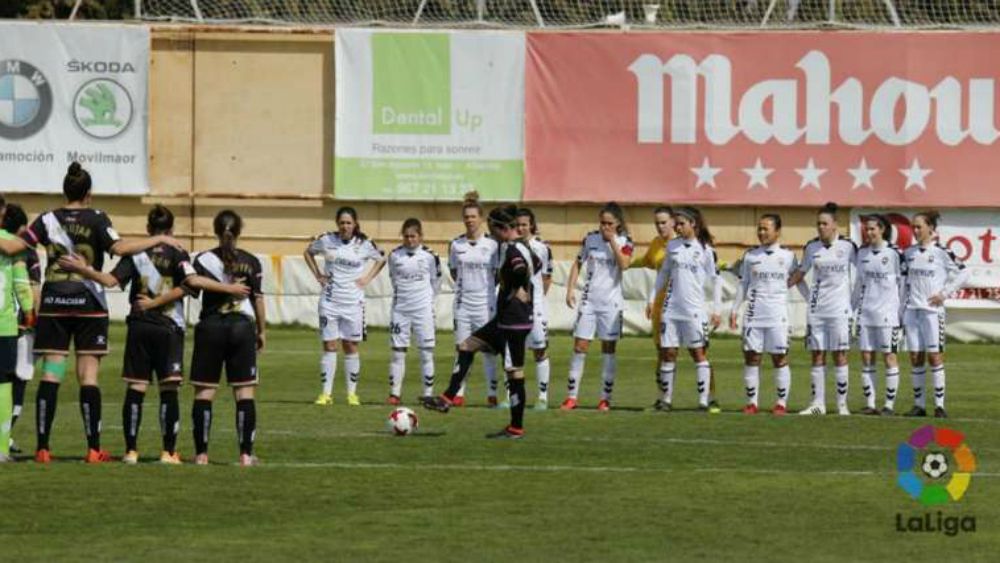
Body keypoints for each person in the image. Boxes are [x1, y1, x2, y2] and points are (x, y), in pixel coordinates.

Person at [0, 163, 181, 463]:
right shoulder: (98, 218)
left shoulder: (47, 219)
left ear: (65, 190)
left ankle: (43, 448)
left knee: (52, 372)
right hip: (88, 304)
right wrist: (159, 239)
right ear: (88, 193)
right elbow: (121, 249)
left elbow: (11, 247)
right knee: (88, 376)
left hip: (56, 302)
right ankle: (93, 449)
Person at [59, 205, 249, 464]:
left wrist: (84, 270)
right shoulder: (179, 252)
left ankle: (131, 452)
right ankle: (168, 452)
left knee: (136, 388)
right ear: (171, 229)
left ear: (149, 229)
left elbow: (109, 281)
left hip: (139, 326)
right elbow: (188, 287)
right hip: (169, 328)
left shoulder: (137, 254)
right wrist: (158, 303)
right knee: (168, 390)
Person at [422, 205, 541, 440]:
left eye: (491, 228)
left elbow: (519, 269)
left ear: (499, 227)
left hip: (513, 323)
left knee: (514, 372)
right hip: (505, 320)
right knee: (467, 346)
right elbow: (535, 264)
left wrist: (519, 287)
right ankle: (447, 398)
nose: (491, 233)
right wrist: (523, 287)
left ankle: (516, 428)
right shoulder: (524, 245)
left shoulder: (512, 249)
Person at [188, 210, 266, 466]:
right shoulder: (252, 261)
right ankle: (245, 455)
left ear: (215, 230)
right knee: (244, 392)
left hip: (210, 329)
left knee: (204, 393)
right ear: (240, 231)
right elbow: (258, 299)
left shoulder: (203, 259)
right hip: (241, 329)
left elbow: (192, 283)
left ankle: (201, 454)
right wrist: (262, 331)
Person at [305, 206, 385, 406]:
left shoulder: (364, 243)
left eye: (349, 223)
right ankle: (326, 394)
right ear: (337, 224)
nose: (345, 226)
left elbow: (382, 258)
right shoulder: (326, 240)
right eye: (342, 222)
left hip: (353, 303)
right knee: (329, 345)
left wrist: (367, 278)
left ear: (355, 224)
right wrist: (317, 274)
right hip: (330, 301)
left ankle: (352, 394)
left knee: (350, 346)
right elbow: (308, 253)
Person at [648, 207, 722, 411]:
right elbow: (663, 274)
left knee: (698, 353)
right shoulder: (673, 246)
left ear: (693, 224)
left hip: (694, 311)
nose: (677, 227)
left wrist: (717, 310)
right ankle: (666, 400)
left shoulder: (706, 250)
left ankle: (703, 401)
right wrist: (651, 299)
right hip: (671, 309)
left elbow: (716, 281)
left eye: (681, 224)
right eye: (677, 223)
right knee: (668, 353)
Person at [562, 202, 634, 411]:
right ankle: (571, 397)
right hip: (589, 302)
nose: (605, 227)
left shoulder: (625, 241)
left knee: (608, 349)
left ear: (618, 223)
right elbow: (578, 263)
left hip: (611, 304)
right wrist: (570, 289)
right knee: (579, 347)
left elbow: (625, 265)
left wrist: (612, 241)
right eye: (602, 223)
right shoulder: (590, 239)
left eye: (609, 223)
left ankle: (605, 398)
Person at [788, 202, 857, 416]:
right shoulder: (811, 247)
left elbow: (860, 276)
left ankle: (842, 405)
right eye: (818, 224)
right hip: (817, 312)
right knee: (817, 355)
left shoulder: (848, 247)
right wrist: (806, 297)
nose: (821, 227)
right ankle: (818, 404)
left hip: (839, 311)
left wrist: (853, 305)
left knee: (840, 355)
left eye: (825, 223)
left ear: (835, 225)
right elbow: (800, 274)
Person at [729, 214, 802, 416]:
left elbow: (798, 278)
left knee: (779, 358)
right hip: (754, 313)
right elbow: (743, 284)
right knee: (752, 357)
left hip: (777, 315)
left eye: (766, 229)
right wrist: (735, 309)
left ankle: (781, 403)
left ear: (777, 231)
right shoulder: (751, 256)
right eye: (759, 229)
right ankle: (752, 402)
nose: (761, 233)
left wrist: (811, 300)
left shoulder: (788, 256)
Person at [901, 211, 969, 418]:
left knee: (935, 356)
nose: (915, 230)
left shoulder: (941, 252)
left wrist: (944, 293)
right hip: (912, 311)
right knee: (915, 356)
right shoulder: (909, 252)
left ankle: (939, 406)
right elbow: (903, 282)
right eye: (913, 227)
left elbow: (964, 272)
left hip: (932, 312)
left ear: (931, 228)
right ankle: (919, 405)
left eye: (919, 226)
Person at [448, 191, 500, 407]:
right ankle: (459, 392)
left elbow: (496, 274)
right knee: (462, 349)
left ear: (481, 218)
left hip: (485, 305)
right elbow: (453, 272)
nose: (470, 220)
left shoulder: (492, 245)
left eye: (473, 216)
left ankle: (491, 393)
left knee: (488, 350)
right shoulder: (456, 245)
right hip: (462, 306)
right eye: (466, 217)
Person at [852, 214, 905, 416]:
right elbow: (859, 284)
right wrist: (851, 308)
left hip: (887, 315)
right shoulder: (862, 253)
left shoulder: (894, 253)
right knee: (866, 357)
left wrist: (900, 313)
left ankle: (889, 406)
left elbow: (902, 285)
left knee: (889, 357)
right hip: (866, 314)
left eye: (873, 228)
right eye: (867, 228)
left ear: (882, 229)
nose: (869, 232)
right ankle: (871, 404)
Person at [386, 218, 442, 404]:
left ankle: (427, 394)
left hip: (423, 311)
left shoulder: (430, 256)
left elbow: (436, 282)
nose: (410, 240)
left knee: (426, 352)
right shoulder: (395, 255)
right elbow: (393, 279)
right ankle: (395, 394)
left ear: (420, 236)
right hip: (400, 310)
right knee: (397, 352)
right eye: (406, 236)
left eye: (413, 236)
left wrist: (426, 302)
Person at [1, 204, 40, 454]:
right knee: (5, 383)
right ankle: (2, 445)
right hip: (5, 324)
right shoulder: (15, 246)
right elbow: (22, 284)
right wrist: (29, 312)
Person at [630, 207, 675, 409]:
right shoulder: (657, 244)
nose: (660, 226)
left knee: (697, 352)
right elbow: (647, 261)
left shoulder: (683, 243)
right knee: (662, 351)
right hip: (661, 304)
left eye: (664, 222)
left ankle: (709, 398)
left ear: (673, 222)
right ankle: (663, 397)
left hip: (683, 304)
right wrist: (627, 263)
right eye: (657, 223)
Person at [515, 208, 553, 409]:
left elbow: (546, 278)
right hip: (514, 308)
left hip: (536, 307)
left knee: (539, 349)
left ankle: (542, 396)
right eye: (518, 224)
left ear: (531, 225)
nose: (521, 228)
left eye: (524, 224)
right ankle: (512, 395)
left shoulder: (542, 248)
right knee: (513, 352)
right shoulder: (509, 248)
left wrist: (535, 299)